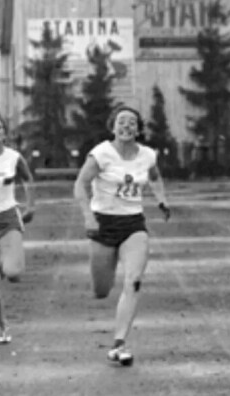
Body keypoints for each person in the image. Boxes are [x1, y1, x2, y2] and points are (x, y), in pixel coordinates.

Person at [74, 106, 171, 366]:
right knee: (101, 290)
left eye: (131, 123)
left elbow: (154, 177)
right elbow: (80, 185)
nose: (126, 126)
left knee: (134, 280)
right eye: (121, 122)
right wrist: (88, 217)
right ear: (113, 127)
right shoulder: (101, 153)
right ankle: (104, 281)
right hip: (103, 224)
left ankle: (119, 344)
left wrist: (161, 200)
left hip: (133, 224)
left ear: (138, 129)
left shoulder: (148, 155)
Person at [0, 111, 35, 345]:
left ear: (4, 133)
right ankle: (4, 325)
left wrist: (31, 205)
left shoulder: (13, 157)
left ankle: (7, 263)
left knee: (13, 273)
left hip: (7, 218)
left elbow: (27, 179)